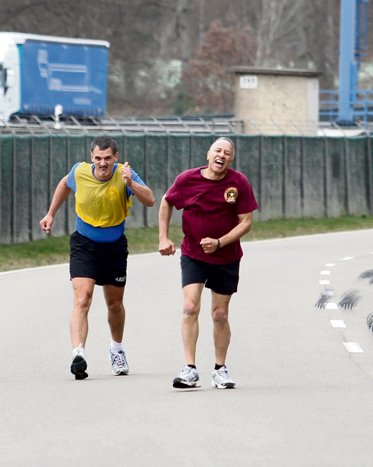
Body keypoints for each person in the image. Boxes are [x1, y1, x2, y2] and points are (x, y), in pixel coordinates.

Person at [40, 136, 155, 380]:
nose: (103, 163)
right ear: (92, 157)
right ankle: (77, 355)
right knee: (82, 298)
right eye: (98, 158)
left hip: (114, 246)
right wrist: (50, 214)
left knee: (114, 304)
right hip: (84, 243)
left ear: (115, 157)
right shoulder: (79, 172)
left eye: (107, 159)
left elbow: (150, 199)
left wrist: (130, 184)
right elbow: (64, 184)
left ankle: (117, 350)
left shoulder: (125, 173)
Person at [158, 137, 258, 389]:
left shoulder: (239, 183)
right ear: (208, 154)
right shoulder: (187, 180)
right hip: (193, 253)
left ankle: (220, 369)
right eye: (217, 150)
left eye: (227, 153)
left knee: (220, 315)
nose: (221, 155)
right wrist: (163, 237)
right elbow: (167, 201)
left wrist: (220, 242)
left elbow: (246, 222)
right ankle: (189, 369)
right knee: (190, 307)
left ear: (231, 160)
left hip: (226, 256)